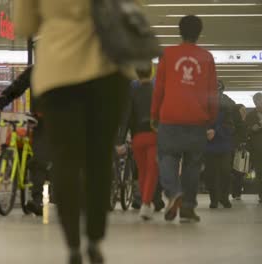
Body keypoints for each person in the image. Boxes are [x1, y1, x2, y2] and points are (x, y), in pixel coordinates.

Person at [14, 1, 133, 263]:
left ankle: (72, 245)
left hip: (59, 73)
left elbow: (24, 24)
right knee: (99, 159)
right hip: (108, 71)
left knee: (65, 159)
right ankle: (94, 238)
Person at [151, 15, 218, 222]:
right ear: (199, 33)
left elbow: (159, 87)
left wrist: (154, 114)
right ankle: (188, 207)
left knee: (167, 158)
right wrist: (211, 118)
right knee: (192, 164)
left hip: (170, 117)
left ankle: (173, 193)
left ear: (179, 32)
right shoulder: (206, 57)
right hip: (197, 119)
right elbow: (212, 91)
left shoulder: (167, 54)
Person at [0, 66, 51, 216]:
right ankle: (33, 196)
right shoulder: (35, 71)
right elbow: (16, 88)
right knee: (32, 156)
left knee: (42, 159)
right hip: (39, 121)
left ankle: (39, 199)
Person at [117, 63, 159, 220]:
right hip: (154, 136)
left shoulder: (132, 93)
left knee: (142, 171)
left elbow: (126, 117)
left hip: (137, 138)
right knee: (152, 171)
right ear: (152, 72)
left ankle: (145, 202)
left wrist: (120, 141)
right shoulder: (157, 92)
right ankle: (146, 204)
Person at [204, 80, 235, 209]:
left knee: (225, 172)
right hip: (209, 145)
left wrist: (215, 131)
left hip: (224, 144)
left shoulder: (229, 104)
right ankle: (214, 199)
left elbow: (231, 125)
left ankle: (224, 197)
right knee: (211, 173)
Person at [231, 104, 248, 200]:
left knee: (241, 172)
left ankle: (237, 192)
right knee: (237, 171)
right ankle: (236, 192)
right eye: (242, 110)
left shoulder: (245, 122)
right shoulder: (236, 123)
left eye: (245, 110)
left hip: (243, 151)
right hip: (237, 149)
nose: (244, 112)